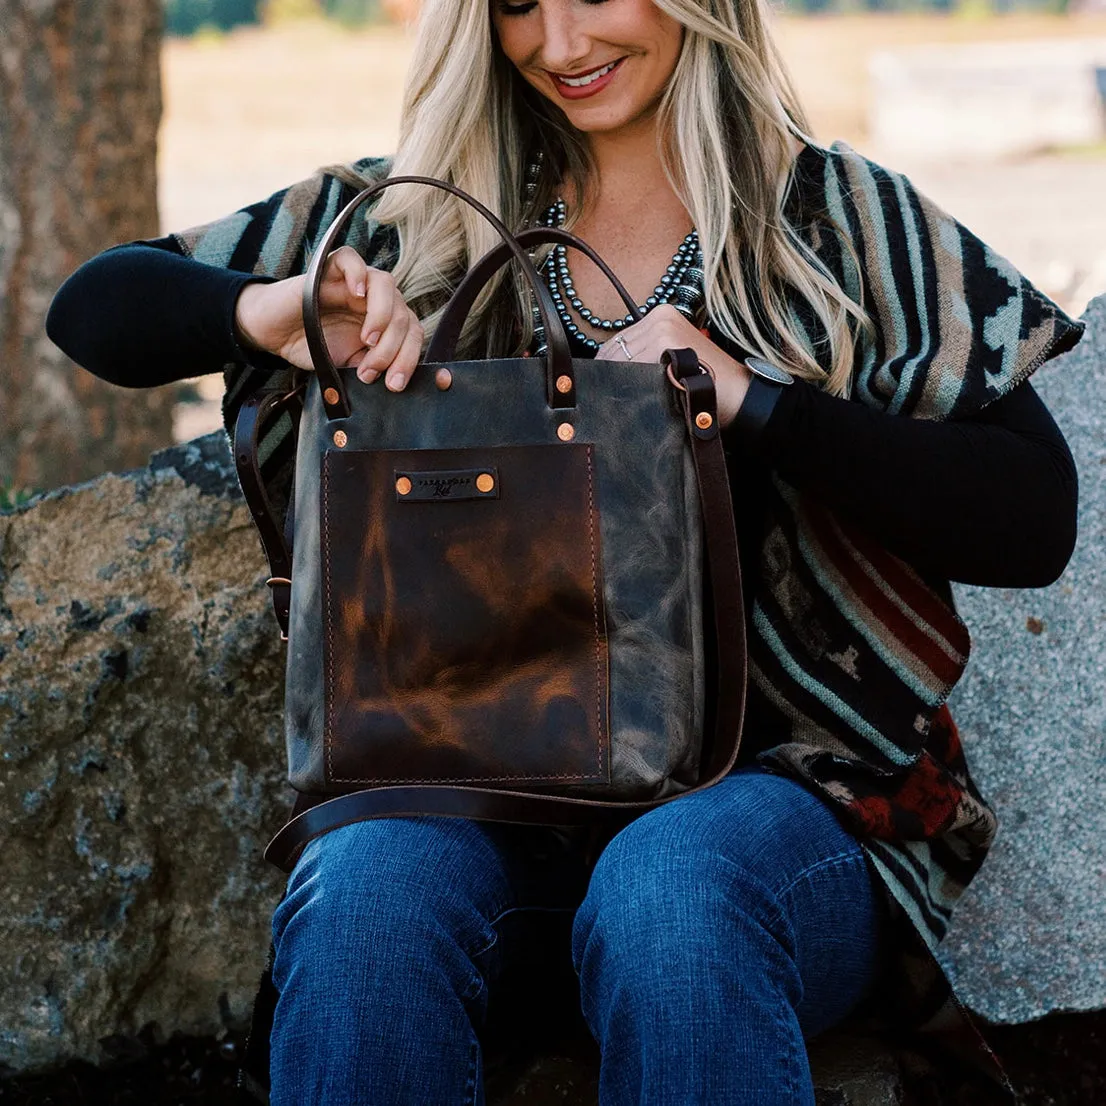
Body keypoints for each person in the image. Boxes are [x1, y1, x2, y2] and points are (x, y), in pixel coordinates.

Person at [46, 0, 1084, 1099]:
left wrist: (751, 401)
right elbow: (94, 307)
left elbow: (1031, 512)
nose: (561, 43)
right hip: (478, 807)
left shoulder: (833, 225)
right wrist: (277, 310)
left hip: (788, 809)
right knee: (363, 892)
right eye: (517, 7)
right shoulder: (414, 221)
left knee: (671, 889)